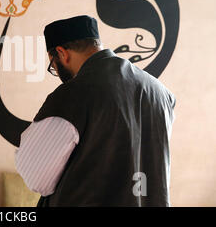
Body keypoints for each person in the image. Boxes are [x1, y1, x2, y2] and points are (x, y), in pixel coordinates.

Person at [15, 15, 176, 206]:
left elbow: (37, 178)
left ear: (61, 53)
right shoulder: (161, 93)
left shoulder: (73, 94)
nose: (56, 72)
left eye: (53, 65)